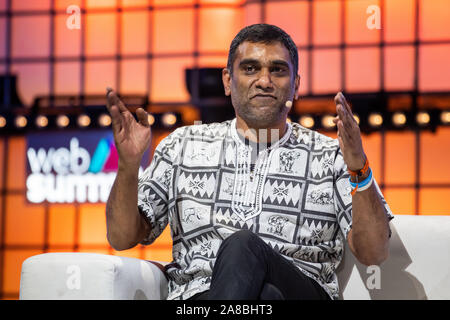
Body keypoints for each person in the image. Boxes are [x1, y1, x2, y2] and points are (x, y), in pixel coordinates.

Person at [105, 23, 394, 300]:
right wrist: (128, 166)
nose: (265, 81)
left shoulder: (330, 155)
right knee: (263, 297)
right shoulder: (182, 146)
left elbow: (374, 252)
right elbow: (121, 237)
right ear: (228, 81)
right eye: (251, 68)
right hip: (200, 296)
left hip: (300, 290)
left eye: (278, 70)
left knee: (244, 247)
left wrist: (358, 166)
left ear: (295, 85)